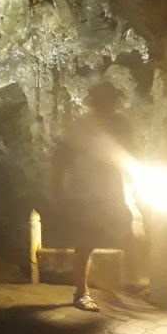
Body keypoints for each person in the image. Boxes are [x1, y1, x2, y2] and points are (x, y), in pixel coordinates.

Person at [53, 82, 140, 312]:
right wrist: (58, 190)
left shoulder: (121, 125)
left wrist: (135, 189)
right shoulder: (81, 127)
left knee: (128, 232)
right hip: (85, 194)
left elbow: (132, 156)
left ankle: (124, 284)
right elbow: (61, 158)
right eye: (104, 101)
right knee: (86, 242)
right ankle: (81, 293)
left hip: (112, 191)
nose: (108, 105)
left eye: (110, 101)